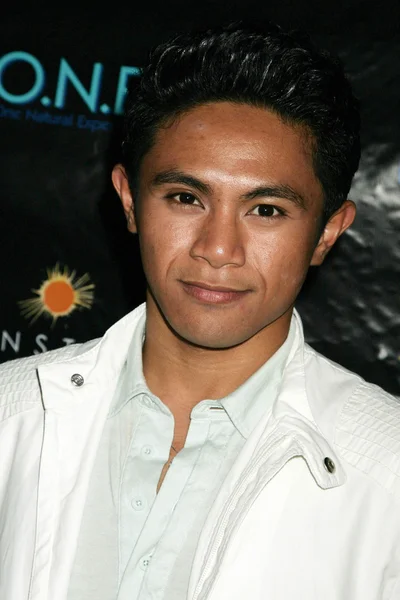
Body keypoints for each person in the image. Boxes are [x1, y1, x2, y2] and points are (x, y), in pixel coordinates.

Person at [1, 19, 399, 600]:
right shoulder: (10, 415)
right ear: (129, 201)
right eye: (186, 198)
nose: (217, 249)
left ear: (327, 232)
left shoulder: (388, 472)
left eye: (266, 210)